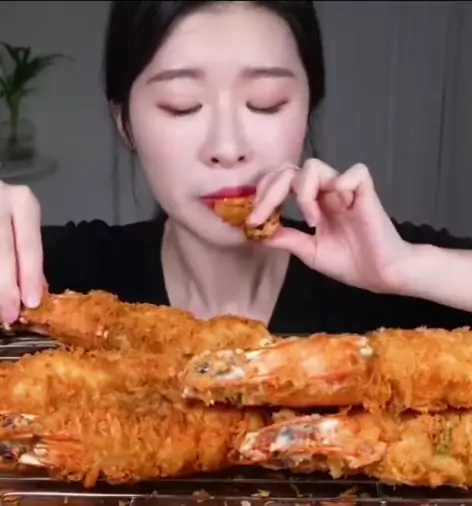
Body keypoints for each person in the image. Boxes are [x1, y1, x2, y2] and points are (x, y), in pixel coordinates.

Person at [1, 0, 472, 336]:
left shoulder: (394, 266)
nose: (227, 148)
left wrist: (407, 268)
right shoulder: (57, 275)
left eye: (266, 102)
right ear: (125, 122)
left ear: (308, 107)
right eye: (182, 105)